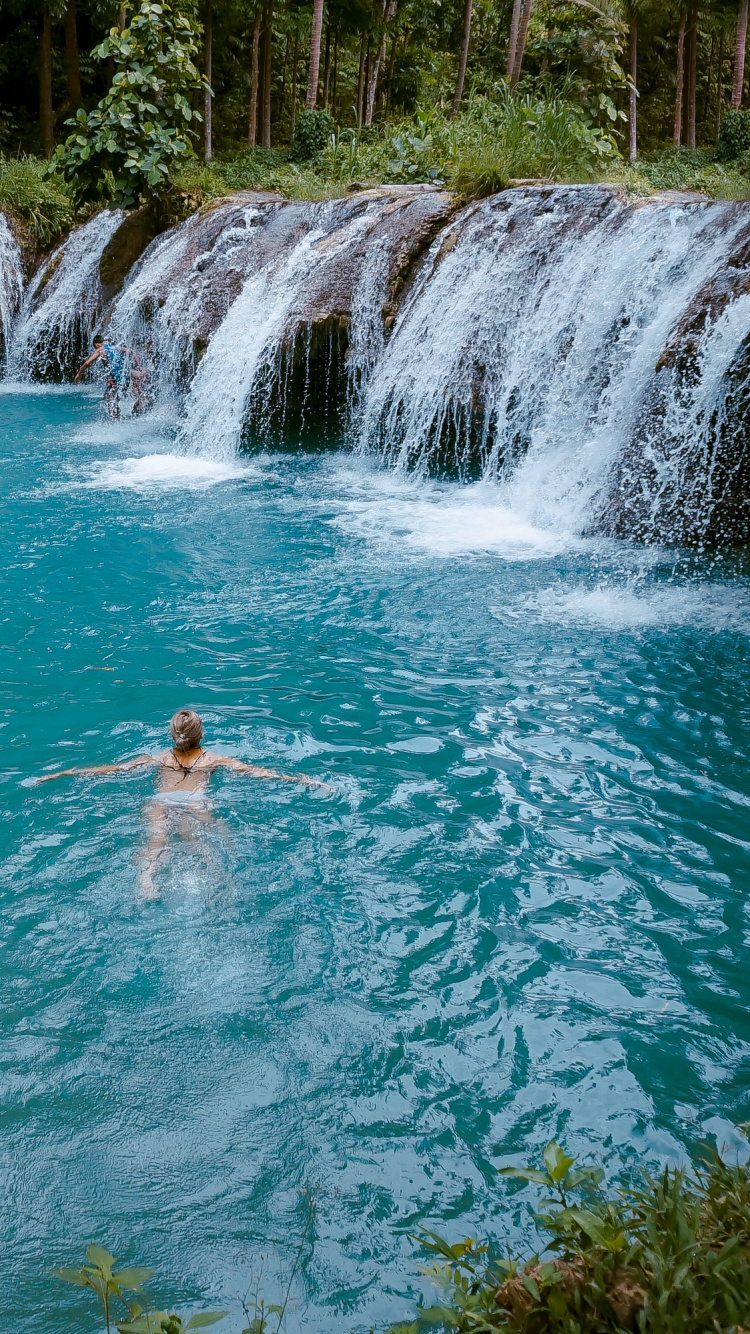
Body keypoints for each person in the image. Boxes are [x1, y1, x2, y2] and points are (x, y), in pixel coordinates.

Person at [37, 709, 328, 898]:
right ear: (201, 734)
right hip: (196, 804)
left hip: (161, 802)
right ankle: (217, 883)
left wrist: (65, 773)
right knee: (206, 846)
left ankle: (147, 880)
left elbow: (112, 770)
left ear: (173, 735)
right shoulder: (214, 759)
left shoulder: (160, 758)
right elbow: (261, 774)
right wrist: (305, 781)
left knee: (155, 844)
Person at [75, 336, 140, 419]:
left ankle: (116, 421)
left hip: (117, 378)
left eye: (95, 347)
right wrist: (139, 366)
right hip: (125, 377)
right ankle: (129, 413)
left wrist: (79, 373)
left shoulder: (100, 349)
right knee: (114, 398)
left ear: (97, 344)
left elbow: (87, 363)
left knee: (109, 399)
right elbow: (132, 352)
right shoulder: (116, 347)